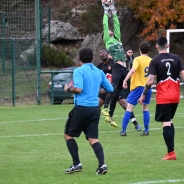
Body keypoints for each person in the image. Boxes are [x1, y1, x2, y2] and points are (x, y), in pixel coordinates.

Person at [138, 36, 184, 160]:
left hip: (164, 96)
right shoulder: (176, 58)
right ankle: (172, 149)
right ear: (168, 46)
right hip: (175, 96)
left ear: (157, 46)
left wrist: (143, 94)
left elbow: (150, 81)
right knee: (170, 120)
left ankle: (171, 153)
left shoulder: (155, 61)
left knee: (166, 123)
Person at [63, 47, 113, 175]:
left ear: (79, 58)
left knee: (68, 135)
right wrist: (96, 91)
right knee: (93, 139)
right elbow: (109, 89)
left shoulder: (79, 71)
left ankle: (76, 164)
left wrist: (68, 88)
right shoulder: (98, 71)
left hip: (81, 108)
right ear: (92, 58)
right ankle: (102, 165)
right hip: (94, 109)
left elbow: (78, 89)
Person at [97, 48, 141, 130]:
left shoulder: (114, 63)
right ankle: (94, 123)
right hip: (106, 90)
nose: (102, 54)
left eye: (104, 52)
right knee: (96, 106)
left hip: (116, 88)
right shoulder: (100, 66)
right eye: (100, 53)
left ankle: (135, 123)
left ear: (108, 54)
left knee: (125, 104)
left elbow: (123, 63)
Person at [101, 0, 128, 126]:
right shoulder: (108, 40)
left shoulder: (117, 38)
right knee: (112, 88)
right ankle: (105, 108)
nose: (111, 31)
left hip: (124, 69)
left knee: (118, 92)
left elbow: (116, 25)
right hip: (117, 67)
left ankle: (110, 116)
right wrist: (106, 12)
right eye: (108, 32)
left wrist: (114, 11)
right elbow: (105, 26)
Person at [120, 41, 152, 136]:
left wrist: (125, 80)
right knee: (145, 108)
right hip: (147, 87)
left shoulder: (137, 59)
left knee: (129, 108)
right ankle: (146, 130)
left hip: (138, 87)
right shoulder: (151, 60)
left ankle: (123, 130)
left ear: (139, 49)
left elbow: (133, 70)